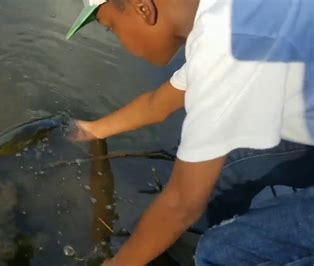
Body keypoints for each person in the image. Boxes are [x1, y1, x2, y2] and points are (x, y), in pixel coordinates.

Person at [65, 0, 314, 265]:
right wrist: (93, 130)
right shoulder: (219, 16)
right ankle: (172, 240)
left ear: (143, 9)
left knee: (220, 253)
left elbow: (182, 204)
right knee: (226, 167)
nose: (120, 41)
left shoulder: (225, 45)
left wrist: (120, 263)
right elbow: (157, 105)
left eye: (111, 28)